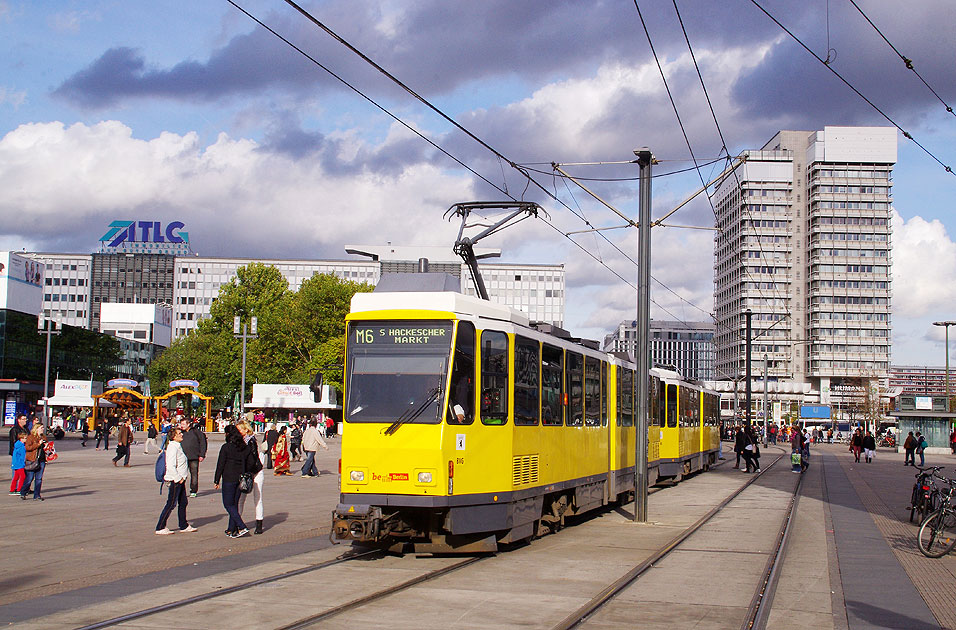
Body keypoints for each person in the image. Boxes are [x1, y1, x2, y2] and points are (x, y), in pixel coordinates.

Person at [214, 425, 258, 538]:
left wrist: (216, 479)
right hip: (240, 479)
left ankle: (241, 526)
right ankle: (231, 529)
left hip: (229, 478)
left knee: (228, 504)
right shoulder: (245, 448)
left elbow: (220, 464)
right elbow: (251, 463)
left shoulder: (226, 447)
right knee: (234, 504)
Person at [155, 428, 196, 534]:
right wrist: (179, 478)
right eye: (179, 433)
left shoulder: (178, 446)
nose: (181, 434)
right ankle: (160, 526)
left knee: (183, 502)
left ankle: (183, 525)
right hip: (175, 480)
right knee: (171, 503)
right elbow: (170, 465)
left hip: (180, 479)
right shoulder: (172, 447)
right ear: (173, 437)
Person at [237, 421, 266, 535]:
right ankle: (237, 522)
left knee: (257, 498)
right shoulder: (239, 441)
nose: (238, 432)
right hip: (246, 473)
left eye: (240, 430)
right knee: (241, 498)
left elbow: (252, 459)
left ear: (246, 430)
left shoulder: (251, 441)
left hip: (256, 472)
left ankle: (259, 523)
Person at [180, 418, 208, 497]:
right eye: (181, 424)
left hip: (194, 457)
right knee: (181, 474)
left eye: (183, 424)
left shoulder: (196, 432)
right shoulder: (180, 433)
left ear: (188, 424)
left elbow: (203, 443)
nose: (181, 426)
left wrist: (202, 454)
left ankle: (193, 490)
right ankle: (181, 490)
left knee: (194, 474)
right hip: (182, 457)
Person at [20, 424, 47, 501]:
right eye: (41, 428)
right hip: (32, 460)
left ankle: (37, 495)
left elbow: (47, 447)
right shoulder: (30, 437)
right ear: (37, 429)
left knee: (39, 479)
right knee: (29, 478)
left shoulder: (43, 437)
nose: (43, 429)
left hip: (41, 460)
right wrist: (38, 444)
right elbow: (28, 447)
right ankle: (23, 492)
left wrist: (47, 446)